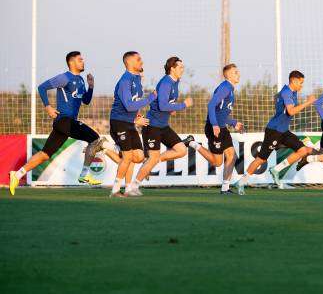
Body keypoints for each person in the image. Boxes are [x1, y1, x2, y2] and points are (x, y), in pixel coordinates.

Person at [9, 51, 104, 195]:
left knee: (45, 154)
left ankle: (16, 175)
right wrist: (48, 107)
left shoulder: (80, 80)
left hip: (65, 124)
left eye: (82, 59)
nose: (83, 62)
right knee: (95, 138)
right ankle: (84, 175)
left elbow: (86, 101)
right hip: (64, 121)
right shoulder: (64, 77)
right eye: (80, 60)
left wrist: (91, 86)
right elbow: (42, 87)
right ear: (71, 62)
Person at [236, 70, 315, 194]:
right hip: (274, 131)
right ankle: (241, 182)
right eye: (300, 83)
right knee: (261, 159)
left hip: (283, 131)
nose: (302, 86)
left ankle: (276, 170)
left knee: (303, 150)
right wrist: (308, 102)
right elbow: (291, 111)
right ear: (293, 81)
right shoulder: (286, 92)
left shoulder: (291, 92)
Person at [125, 56, 193, 196]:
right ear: (172, 68)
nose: (182, 69)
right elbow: (162, 105)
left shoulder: (175, 81)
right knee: (153, 158)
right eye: (180, 67)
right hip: (152, 126)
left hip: (163, 126)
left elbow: (164, 103)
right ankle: (133, 186)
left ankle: (153, 160)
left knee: (181, 150)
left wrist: (172, 108)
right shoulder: (166, 82)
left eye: (182, 67)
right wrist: (183, 105)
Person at [188, 63, 244, 194]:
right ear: (229, 75)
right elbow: (211, 105)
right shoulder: (225, 87)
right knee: (217, 162)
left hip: (222, 127)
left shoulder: (230, 89)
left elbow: (222, 113)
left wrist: (234, 122)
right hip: (215, 128)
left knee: (232, 156)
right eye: (236, 72)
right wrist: (214, 124)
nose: (238, 74)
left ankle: (225, 188)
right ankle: (192, 143)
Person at [108, 51, 156, 197]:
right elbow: (129, 105)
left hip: (129, 122)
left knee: (139, 157)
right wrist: (151, 97)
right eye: (138, 59)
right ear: (130, 62)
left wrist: (136, 117)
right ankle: (115, 190)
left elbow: (133, 105)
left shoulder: (136, 80)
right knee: (128, 157)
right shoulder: (125, 80)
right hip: (119, 122)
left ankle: (128, 188)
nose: (141, 61)